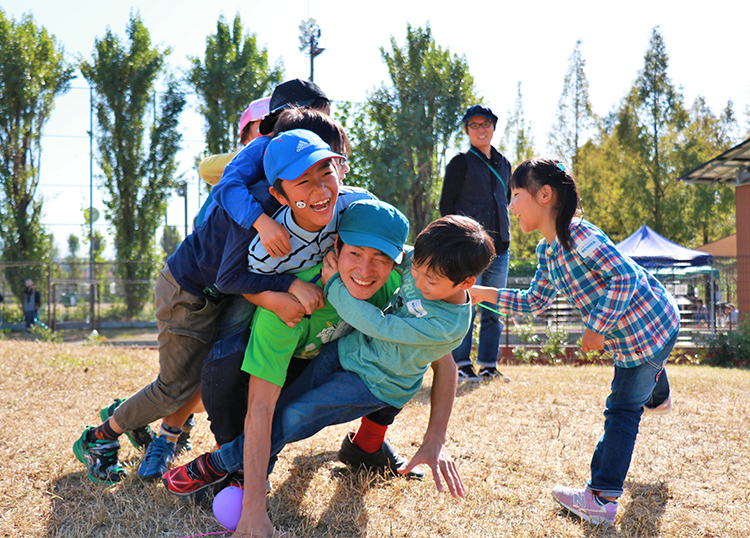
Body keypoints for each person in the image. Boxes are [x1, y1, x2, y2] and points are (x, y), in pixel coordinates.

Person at [73, 126, 370, 484]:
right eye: (303, 178)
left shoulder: (316, 205)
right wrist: (288, 285)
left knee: (195, 380)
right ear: (278, 189)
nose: (320, 188)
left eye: (328, 171)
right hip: (189, 292)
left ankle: (133, 415)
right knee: (175, 388)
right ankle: (100, 437)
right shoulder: (260, 210)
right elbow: (230, 275)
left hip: (215, 296)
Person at [166, 214, 495, 538]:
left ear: (465, 283)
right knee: (281, 410)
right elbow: (389, 250)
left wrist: (335, 283)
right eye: (416, 270)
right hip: (347, 351)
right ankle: (246, 472)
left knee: (296, 417)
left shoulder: (447, 326)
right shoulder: (427, 262)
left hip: (374, 383)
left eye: (430, 281)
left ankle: (216, 462)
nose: (418, 282)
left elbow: (377, 325)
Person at [469, 157, 680, 526]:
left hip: (650, 327)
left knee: (622, 409)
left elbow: (624, 279)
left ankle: (600, 498)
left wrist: (596, 326)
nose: (511, 207)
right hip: (637, 337)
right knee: (642, 381)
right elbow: (534, 301)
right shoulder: (547, 252)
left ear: (545, 195)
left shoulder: (578, 235)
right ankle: (657, 393)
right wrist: (483, 292)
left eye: (516, 195)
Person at [439, 104, 512, 382]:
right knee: (466, 304)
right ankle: (461, 365)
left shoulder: (505, 164)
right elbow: (446, 204)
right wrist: (458, 241)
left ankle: (488, 365)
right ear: (467, 130)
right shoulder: (460, 162)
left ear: (493, 127)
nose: (481, 130)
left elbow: (504, 200)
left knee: (494, 306)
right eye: (474, 125)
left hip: (501, 246)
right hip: (470, 248)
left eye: (486, 124)